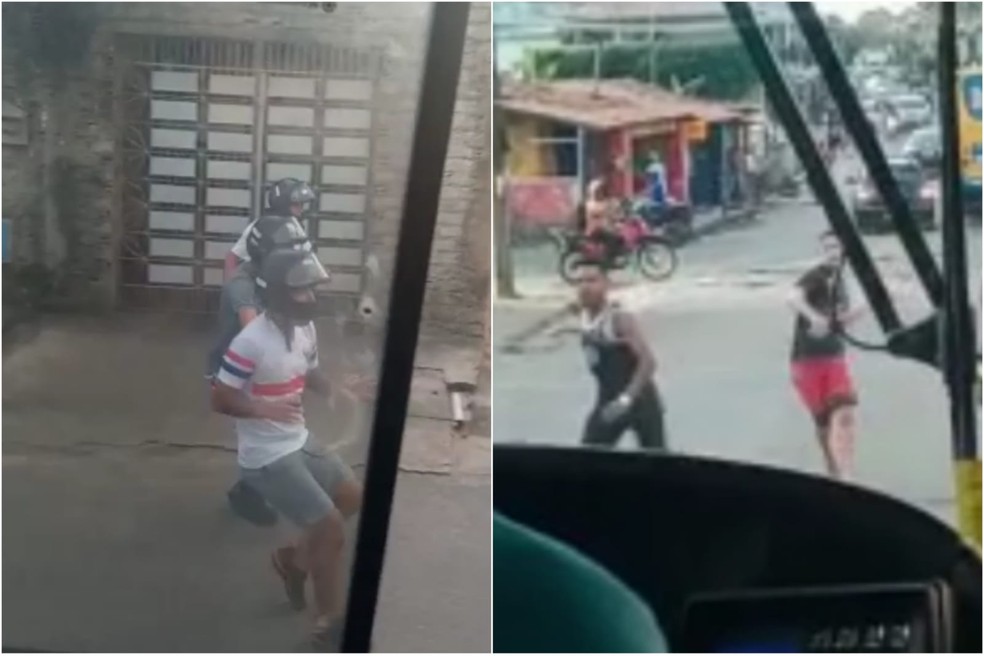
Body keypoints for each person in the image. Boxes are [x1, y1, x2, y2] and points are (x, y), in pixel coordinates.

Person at [212, 248, 362, 650]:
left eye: (313, 289)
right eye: (302, 291)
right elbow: (221, 397)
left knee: (351, 496)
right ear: (278, 293)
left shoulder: (304, 329)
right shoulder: (250, 342)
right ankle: (328, 620)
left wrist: (334, 389)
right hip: (265, 457)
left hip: (297, 438)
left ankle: (293, 563)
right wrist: (264, 406)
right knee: (329, 527)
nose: (311, 297)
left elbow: (307, 370)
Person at [208, 214, 313, 527]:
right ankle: (249, 490)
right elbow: (252, 328)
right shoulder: (245, 283)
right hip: (234, 364)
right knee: (251, 427)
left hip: (251, 364)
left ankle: (251, 485)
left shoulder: (270, 276)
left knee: (257, 427)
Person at [787, 231, 866, 480]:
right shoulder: (817, 276)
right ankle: (833, 470)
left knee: (844, 413)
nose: (833, 253)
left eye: (837, 248)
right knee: (822, 422)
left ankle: (847, 474)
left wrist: (859, 311)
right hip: (806, 360)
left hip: (834, 358)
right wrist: (814, 318)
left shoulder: (843, 281)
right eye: (828, 248)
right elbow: (792, 297)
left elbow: (843, 319)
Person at [576, 261, 666, 450]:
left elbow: (648, 362)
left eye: (592, 281)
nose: (585, 287)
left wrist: (626, 400)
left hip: (640, 402)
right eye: (580, 281)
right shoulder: (584, 316)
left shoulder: (619, 319)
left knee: (657, 463)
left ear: (606, 285)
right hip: (607, 400)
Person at [224, 178, 316, 280]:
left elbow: (306, 257)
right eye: (296, 205)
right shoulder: (261, 226)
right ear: (283, 203)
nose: (301, 209)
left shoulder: (297, 228)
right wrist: (231, 285)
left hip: (285, 286)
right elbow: (232, 257)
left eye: (301, 205)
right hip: (260, 287)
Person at [583, 177, 624, 262]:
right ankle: (607, 258)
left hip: (602, 228)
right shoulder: (591, 203)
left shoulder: (602, 202)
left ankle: (613, 255)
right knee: (612, 238)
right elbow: (601, 212)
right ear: (594, 192)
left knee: (619, 236)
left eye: (602, 191)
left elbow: (612, 212)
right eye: (598, 192)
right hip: (595, 230)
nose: (601, 193)